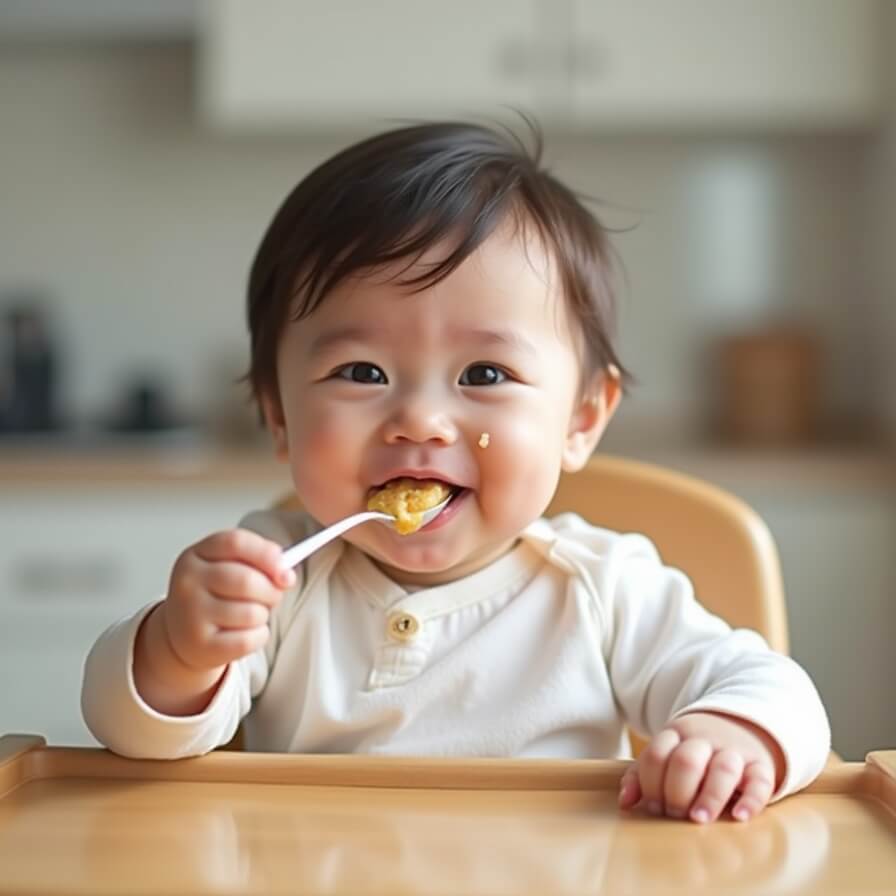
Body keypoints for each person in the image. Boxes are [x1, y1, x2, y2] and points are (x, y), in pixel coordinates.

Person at [81, 121, 830, 824]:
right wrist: (180, 650)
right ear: (278, 416)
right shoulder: (280, 580)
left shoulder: (604, 588)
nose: (421, 420)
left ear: (580, 418)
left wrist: (730, 735)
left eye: (484, 371)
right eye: (362, 370)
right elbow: (135, 735)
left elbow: (779, 693)